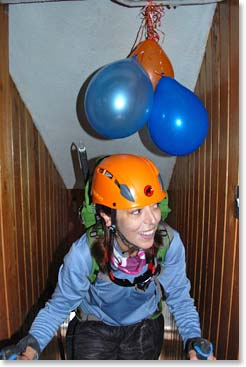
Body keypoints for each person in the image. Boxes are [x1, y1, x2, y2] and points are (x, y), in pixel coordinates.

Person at [1, 154, 215, 360]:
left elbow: (179, 297)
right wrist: (31, 347)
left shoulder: (169, 243)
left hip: (145, 326)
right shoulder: (83, 254)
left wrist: (193, 339)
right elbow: (60, 305)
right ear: (107, 217)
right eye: (136, 211)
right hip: (94, 327)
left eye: (155, 206)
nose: (152, 220)